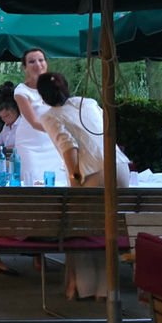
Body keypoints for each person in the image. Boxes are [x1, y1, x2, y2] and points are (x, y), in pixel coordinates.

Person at [38, 72, 131, 300]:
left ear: (42, 97)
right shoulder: (87, 103)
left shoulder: (50, 116)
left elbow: (68, 146)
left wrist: (74, 176)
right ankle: (106, 288)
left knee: (81, 229)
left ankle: (85, 287)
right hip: (119, 166)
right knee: (107, 228)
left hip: (93, 173)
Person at [13, 48, 65, 185]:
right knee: (33, 183)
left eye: (41, 60)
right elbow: (34, 122)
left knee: (58, 182)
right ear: (25, 67)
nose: (37, 64)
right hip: (30, 145)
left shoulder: (55, 87)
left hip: (53, 143)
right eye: (32, 61)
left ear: (46, 63)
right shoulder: (21, 91)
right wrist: (61, 131)